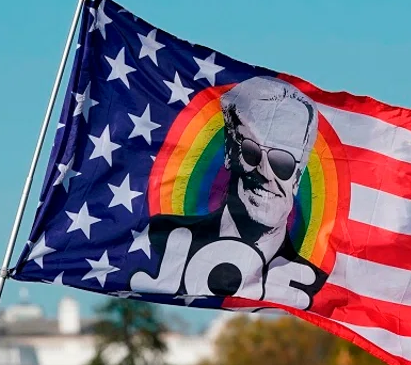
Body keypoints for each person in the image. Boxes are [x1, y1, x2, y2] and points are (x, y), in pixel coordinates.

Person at [130, 76, 327, 310]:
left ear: (297, 177)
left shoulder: (314, 286)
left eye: (281, 162)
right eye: (251, 151)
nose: (264, 171)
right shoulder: (160, 238)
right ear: (229, 152)